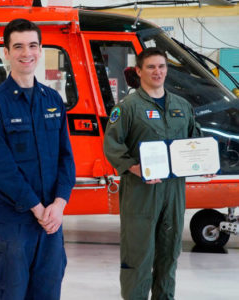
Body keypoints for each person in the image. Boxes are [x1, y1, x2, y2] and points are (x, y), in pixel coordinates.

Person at [0, 19, 76, 299]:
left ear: (41, 49)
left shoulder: (53, 100)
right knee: (12, 293)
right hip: (15, 223)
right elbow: (0, 168)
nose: (26, 53)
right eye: (18, 46)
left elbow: (66, 159)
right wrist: (37, 208)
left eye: (33, 45)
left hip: (52, 221)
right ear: (6, 53)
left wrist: (59, 204)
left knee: (48, 292)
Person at [103, 47, 204, 299]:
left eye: (161, 66)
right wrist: (132, 166)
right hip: (140, 191)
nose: (157, 72)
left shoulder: (181, 106)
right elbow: (112, 144)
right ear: (139, 71)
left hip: (173, 191)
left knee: (169, 255)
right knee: (138, 255)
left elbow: (195, 139)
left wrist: (201, 161)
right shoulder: (127, 107)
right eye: (151, 67)